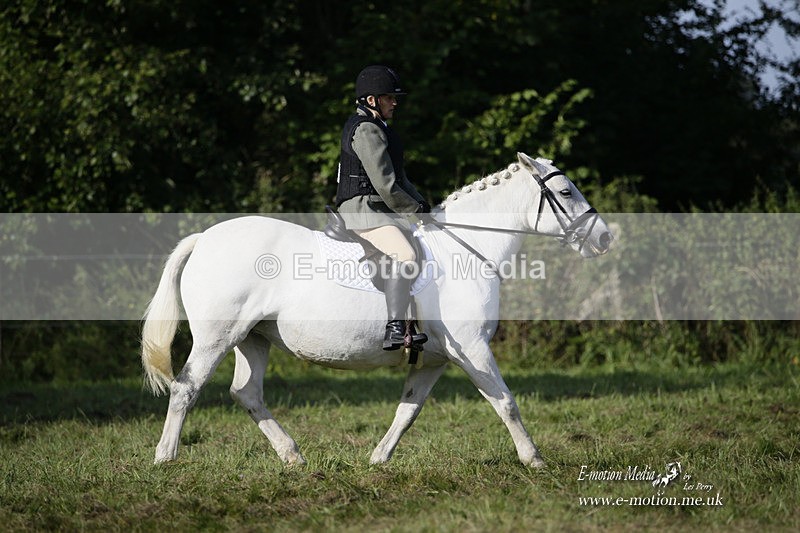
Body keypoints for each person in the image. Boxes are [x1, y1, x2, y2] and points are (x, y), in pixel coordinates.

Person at [335, 65, 430, 351]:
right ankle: (395, 328)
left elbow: (400, 179)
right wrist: (412, 210)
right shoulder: (366, 129)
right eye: (389, 97)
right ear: (371, 100)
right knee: (406, 254)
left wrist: (422, 205)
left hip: (376, 209)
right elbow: (386, 185)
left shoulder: (379, 128)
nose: (394, 102)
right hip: (363, 209)